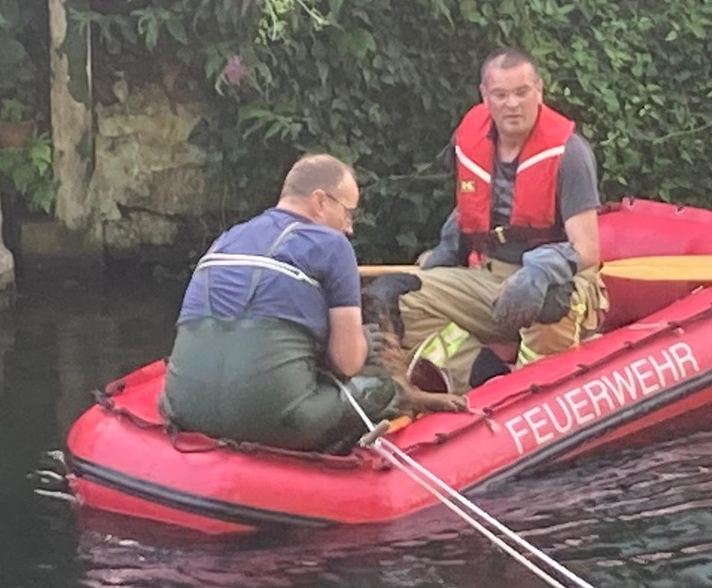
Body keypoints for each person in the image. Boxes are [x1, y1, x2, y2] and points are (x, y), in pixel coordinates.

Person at [392, 47, 607, 393]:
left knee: (552, 299)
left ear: (539, 90)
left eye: (522, 92)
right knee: (404, 300)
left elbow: (588, 249)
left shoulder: (571, 154)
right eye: (501, 94)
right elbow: (467, 207)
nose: (513, 104)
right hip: (492, 278)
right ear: (485, 96)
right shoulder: (468, 138)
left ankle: (538, 390)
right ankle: (482, 376)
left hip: (560, 281)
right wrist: (444, 253)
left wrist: (539, 271)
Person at [160, 154, 395, 453]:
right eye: (348, 212)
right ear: (320, 201)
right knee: (383, 387)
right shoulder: (334, 247)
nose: (349, 227)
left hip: (184, 409)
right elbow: (347, 362)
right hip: (279, 421)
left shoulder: (227, 238)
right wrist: (361, 340)